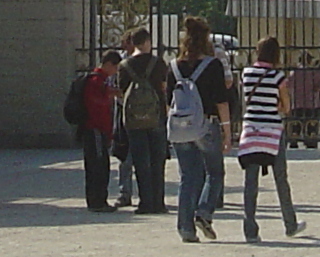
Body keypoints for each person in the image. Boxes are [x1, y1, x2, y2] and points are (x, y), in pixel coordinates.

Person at [169, 16, 234, 241]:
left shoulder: (174, 66)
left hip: (180, 127)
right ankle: (204, 212)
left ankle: (185, 227)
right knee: (215, 172)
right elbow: (221, 101)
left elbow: (169, 100)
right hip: (206, 124)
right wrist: (228, 132)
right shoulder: (212, 64)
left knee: (188, 176)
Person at [234, 37, 301, 241]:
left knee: (250, 181)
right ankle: (290, 223)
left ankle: (250, 229)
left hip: (251, 129)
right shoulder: (277, 77)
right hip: (272, 130)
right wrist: (277, 107)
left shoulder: (246, 74)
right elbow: (286, 106)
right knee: (280, 178)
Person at [116, 28, 170, 214]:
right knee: (158, 160)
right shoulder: (158, 63)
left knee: (140, 160)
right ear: (148, 41)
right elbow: (165, 87)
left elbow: (123, 92)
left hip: (134, 120)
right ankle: (158, 202)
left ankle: (145, 202)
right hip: (157, 117)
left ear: (132, 42)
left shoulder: (124, 66)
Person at [69, 48, 121, 211]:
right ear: (107, 64)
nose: (115, 71)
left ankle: (99, 200)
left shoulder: (102, 80)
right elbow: (95, 106)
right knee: (97, 167)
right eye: (114, 66)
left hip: (99, 130)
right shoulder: (96, 81)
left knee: (101, 166)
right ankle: (97, 201)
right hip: (94, 129)